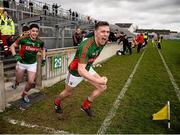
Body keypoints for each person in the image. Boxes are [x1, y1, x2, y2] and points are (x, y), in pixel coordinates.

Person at [54, 21, 110, 117]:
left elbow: (84, 69)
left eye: (108, 32)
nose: (106, 35)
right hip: (75, 72)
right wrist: (98, 80)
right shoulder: (85, 47)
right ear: (95, 32)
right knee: (67, 93)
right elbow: (81, 70)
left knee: (102, 87)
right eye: (103, 31)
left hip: (87, 67)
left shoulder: (103, 41)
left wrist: (98, 81)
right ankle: (57, 102)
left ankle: (85, 105)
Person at [10, 24, 46, 103]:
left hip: (32, 64)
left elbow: (43, 49)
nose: (35, 33)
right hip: (22, 63)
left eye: (36, 31)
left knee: (31, 82)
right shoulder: (23, 39)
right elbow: (12, 46)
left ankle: (24, 94)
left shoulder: (40, 42)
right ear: (29, 31)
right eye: (33, 31)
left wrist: (43, 59)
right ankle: (16, 83)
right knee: (19, 80)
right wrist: (15, 56)